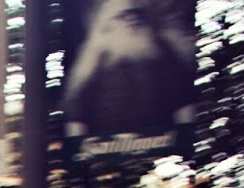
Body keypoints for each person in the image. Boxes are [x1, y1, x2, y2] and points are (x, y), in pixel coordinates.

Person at [63, 0, 195, 140]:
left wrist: (184, 142)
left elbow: (185, 106)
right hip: (106, 149)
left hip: (160, 145)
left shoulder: (165, 57)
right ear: (106, 27)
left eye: (136, 14)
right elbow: (75, 118)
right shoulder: (89, 66)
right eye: (124, 16)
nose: (133, 20)